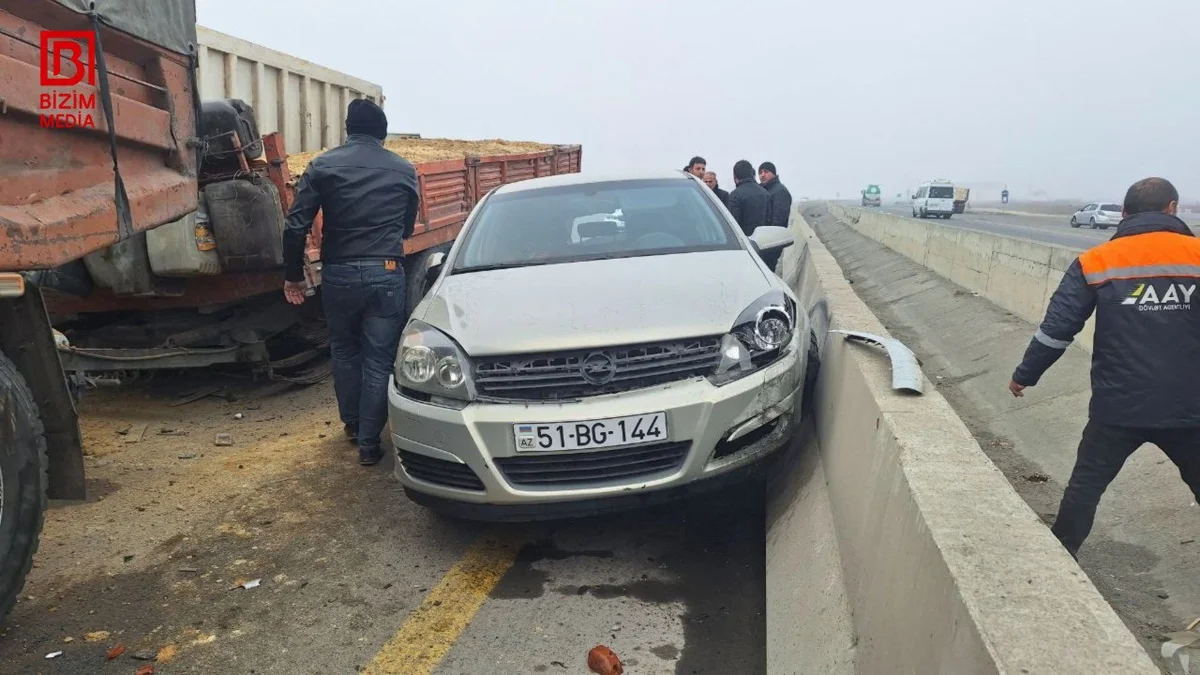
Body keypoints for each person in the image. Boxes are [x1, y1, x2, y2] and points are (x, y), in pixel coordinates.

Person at [1008, 177, 1200, 558]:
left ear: (1125, 213)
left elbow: (1057, 331)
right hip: (1190, 409)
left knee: (1086, 487)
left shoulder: (1095, 261)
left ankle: (1061, 559)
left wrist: (1024, 375)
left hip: (1118, 409)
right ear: (1172, 209)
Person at [282, 99, 420, 466]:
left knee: (344, 351)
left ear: (347, 128)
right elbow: (407, 226)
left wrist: (293, 276)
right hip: (386, 270)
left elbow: (295, 224)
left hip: (339, 273)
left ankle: (354, 426)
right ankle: (369, 444)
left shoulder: (323, 165)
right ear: (383, 132)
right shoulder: (404, 170)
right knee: (378, 360)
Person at [725, 160, 769, 235]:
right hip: (763, 241)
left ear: (735, 176)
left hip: (744, 242)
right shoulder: (766, 193)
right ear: (752, 173)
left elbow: (732, 226)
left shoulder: (735, 195)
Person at [758, 161, 792, 229]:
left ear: (773, 173)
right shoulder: (761, 191)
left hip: (772, 236)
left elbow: (779, 222)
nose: (763, 175)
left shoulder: (780, 192)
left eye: (766, 171)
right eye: (760, 172)